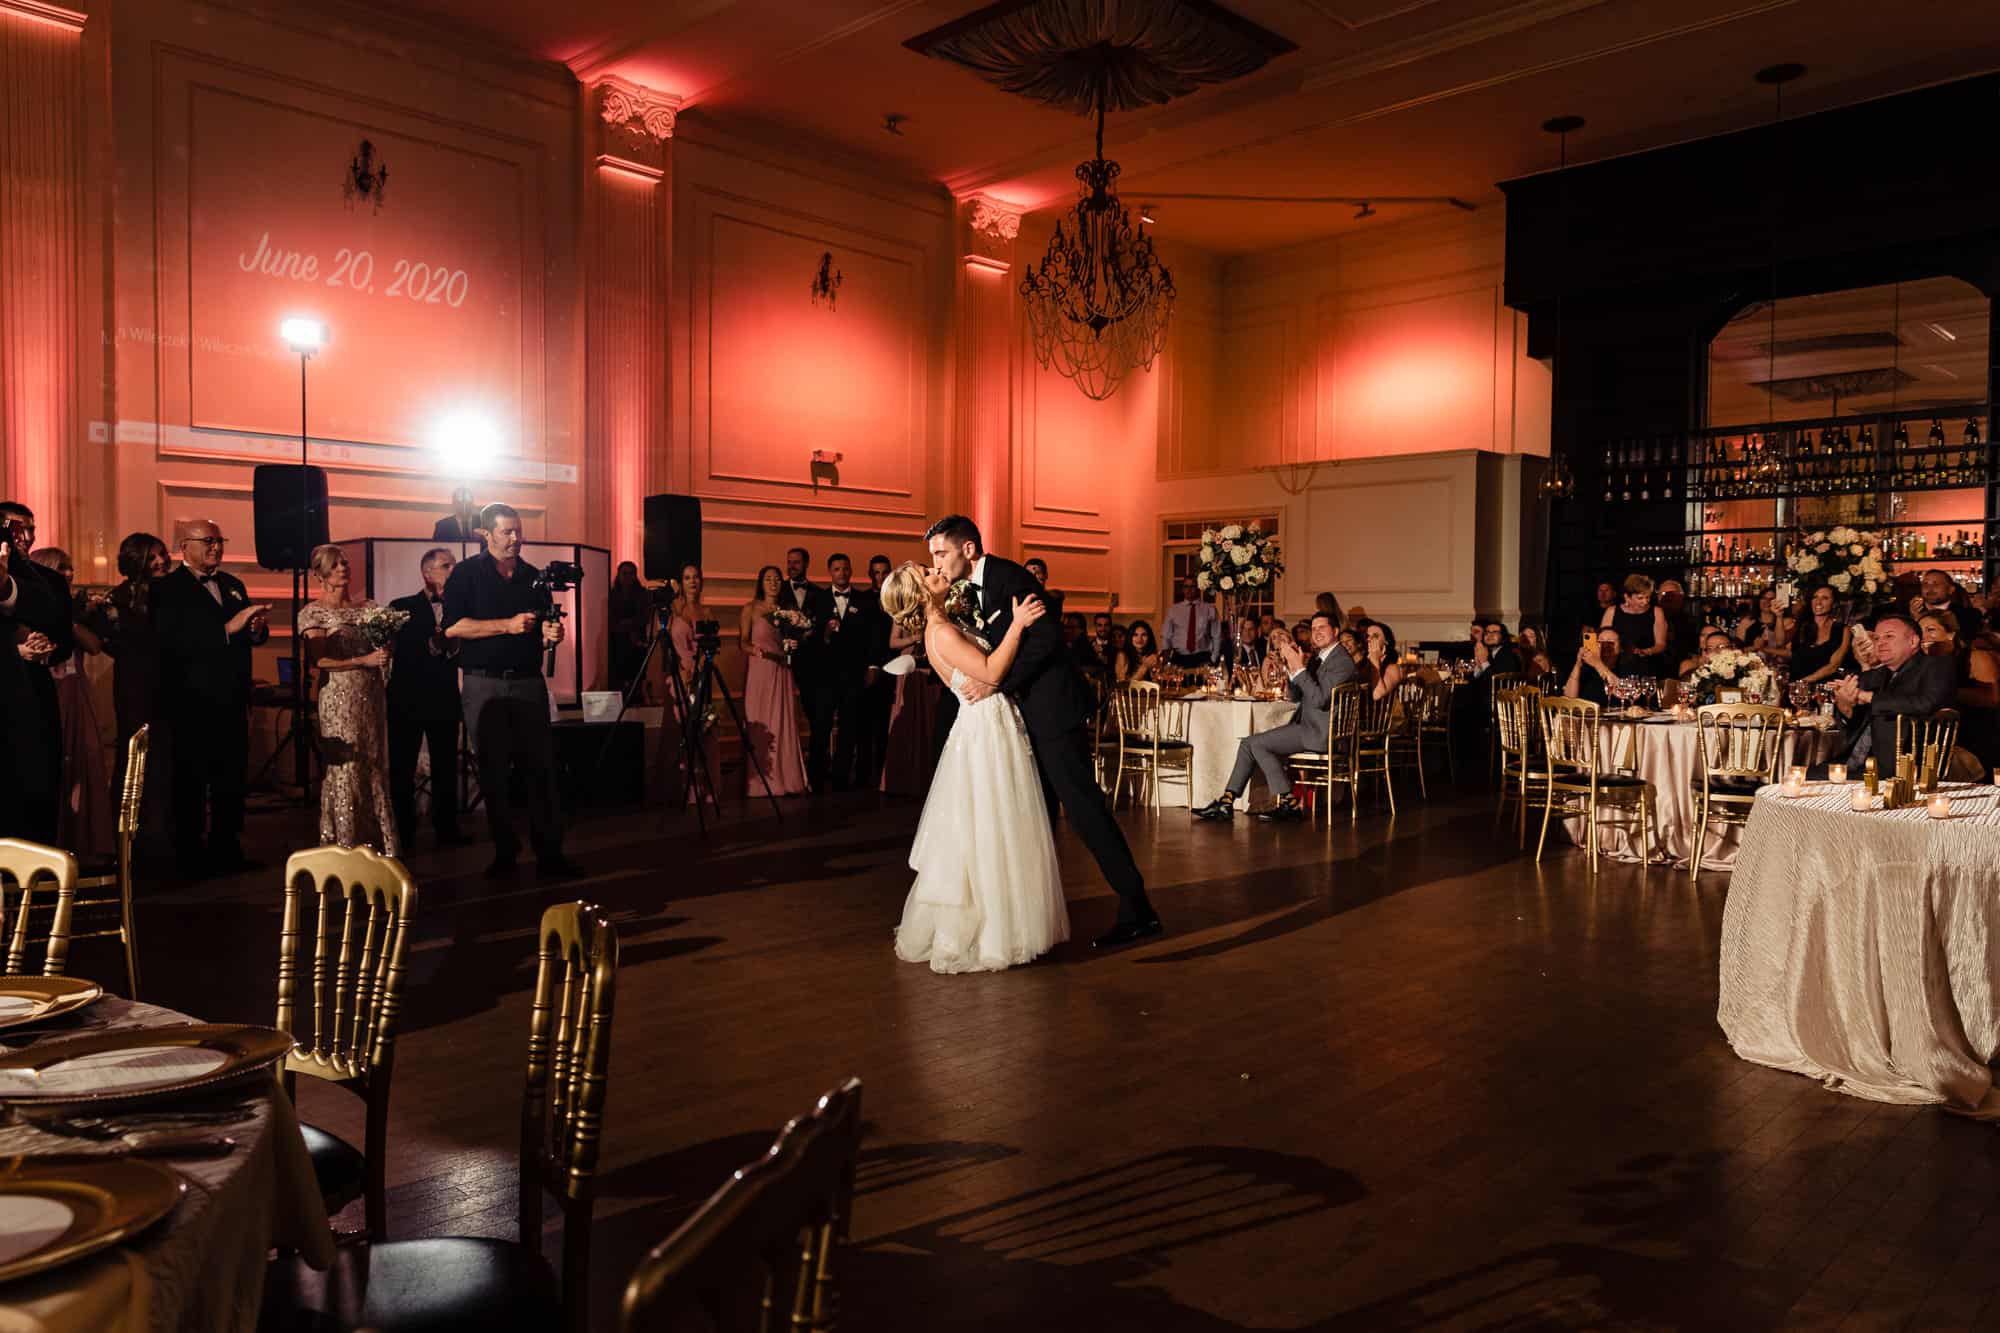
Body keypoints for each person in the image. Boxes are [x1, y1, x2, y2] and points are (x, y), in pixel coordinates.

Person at [927, 515, 1159, 948]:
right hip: (1020, 720)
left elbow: (1047, 638)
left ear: (969, 549)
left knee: (1085, 811)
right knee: (1036, 817)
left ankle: (1137, 907)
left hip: (1054, 714)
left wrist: (997, 682)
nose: (937, 564)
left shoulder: (1008, 576)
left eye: (941, 553)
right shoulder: (965, 588)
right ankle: (1033, 919)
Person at [883, 562, 1066, 972]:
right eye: (928, 572)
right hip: (984, 727)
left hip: (983, 723)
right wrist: (1017, 625)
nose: (937, 570)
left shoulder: (942, 626)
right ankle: (997, 931)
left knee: (990, 823)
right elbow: (992, 672)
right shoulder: (942, 632)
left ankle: (1004, 922)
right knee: (993, 822)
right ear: (920, 593)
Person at [441, 502, 575, 880]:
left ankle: (550, 852)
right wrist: (507, 625)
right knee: (494, 771)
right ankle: (505, 853)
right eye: (507, 532)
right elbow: (453, 628)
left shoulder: (533, 577)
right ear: (485, 534)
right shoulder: (466, 574)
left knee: (541, 769)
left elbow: (545, 627)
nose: (516, 538)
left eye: (518, 531)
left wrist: (552, 636)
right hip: (484, 681)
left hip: (529, 682)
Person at [153, 519, 268, 876]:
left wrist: (255, 631)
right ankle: (188, 854)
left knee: (230, 778)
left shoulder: (233, 584)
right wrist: (227, 630)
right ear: (184, 546)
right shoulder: (167, 589)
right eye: (208, 541)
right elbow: (173, 642)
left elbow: (244, 639)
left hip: (231, 698)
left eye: (220, 540)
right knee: (190, 779)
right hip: (191, 701)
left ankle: (226, 847)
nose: (216, 547)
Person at [1193, 610, 1356, 824]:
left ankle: (1287, 802)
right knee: (1249, 743)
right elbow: (1295, 696)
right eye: (1313, 628)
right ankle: (1227, 801)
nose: (1316, 633)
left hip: (1322, 733)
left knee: (1257, 744)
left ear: (1335, 631)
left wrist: (1298, 668)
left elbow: (1319, 700)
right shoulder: (1319, 658)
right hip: (1308, 727)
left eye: (1322, 628)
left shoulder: (1341, 661)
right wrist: (1291, 668)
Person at [299, 545, 398, 857]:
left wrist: (385, 651)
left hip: (370, 696)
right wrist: (363, 660)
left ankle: (378, 844)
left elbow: (383, 647)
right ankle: (344, 844)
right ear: (320, 574)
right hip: (339, 699)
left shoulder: (369, 608)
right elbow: (321, 661)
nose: (343, 568)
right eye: (334, 565)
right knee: (347, 768)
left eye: (344, 563)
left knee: (374, 765)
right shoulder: (313, 612)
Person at [29, 548, 113, 860]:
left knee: (85, 761)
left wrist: (72, 620)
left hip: (76, 693)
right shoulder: (34, 609)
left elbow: (94, 646)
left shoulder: (71, 612)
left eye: (69, 567)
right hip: (48, 694)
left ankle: (82, 844)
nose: (68, 573)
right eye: (60, 568)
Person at [0, 503, 72, 844]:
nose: (26, 537)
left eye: (31, 529)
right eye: (17, 529)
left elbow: (63, 636)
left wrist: (46, 650)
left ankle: (39, 877)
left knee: (40, 786)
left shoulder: (48, 581)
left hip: (37, 697)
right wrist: (15, 652)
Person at [387, 547, 468, 848]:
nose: (452, 571)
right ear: (427, 572)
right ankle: (402, 832)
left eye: (454, 566)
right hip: (406, 699)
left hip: (445, 698)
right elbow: (396, 652)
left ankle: (447, 828)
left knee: (446, 766)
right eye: (446, 566)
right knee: (402, 768)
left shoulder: (463, 608)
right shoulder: (401, 607)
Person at [1832, 609, 1957, 771]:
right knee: (1799, 774)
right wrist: (1844, 705)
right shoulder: (1874, 675)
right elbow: (1856, 721)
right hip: (1856, 763)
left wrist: (1869, 697)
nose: (1880, 643)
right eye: (1877, 638)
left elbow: (1926, 703)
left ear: (1913, 642)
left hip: (1906, 765)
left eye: (1889, 636)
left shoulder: (1935, 666)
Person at [806, 553, 880, 791]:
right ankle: (816, 778)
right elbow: (810, 639)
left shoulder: (864, 600)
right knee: (821, 726)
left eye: (845, 569)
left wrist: (871, 667)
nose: (842, 573)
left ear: (850, 571)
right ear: (830, 571)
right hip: (825, 676)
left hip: (853, 675)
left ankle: (840, 778)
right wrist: (825, 633)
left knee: (849, 727)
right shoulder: (817, 599)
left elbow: (872, 638)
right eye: (837, 569)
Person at [740, 565, 809, 796]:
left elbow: (791, 640)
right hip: (760, 670)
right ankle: (760, 782)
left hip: (781, 670)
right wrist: (758, 652)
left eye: (777, 579)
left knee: (783, 721)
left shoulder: (787, 611)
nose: (773, 582)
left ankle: (786, 777)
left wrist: (792, 644)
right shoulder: (750, 609)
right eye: (768, 579)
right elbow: (742, 642)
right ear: (761, 583)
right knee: (760, 722)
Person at [662, 562, 721, 806]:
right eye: (687, 577)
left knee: (703, 727)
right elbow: (663, 647)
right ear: (681, 582)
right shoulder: (673, 608)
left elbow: (713, 646)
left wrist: (699, 669)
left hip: (702, 673)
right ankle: (681, 787)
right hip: (677, 674)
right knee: (680, 730)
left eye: (696, 577)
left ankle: (704, 790)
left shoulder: (707, 612)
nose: (693, 581)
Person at [1919, 609, 1999, 776]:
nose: (1924, 636)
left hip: (1974, 736)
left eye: (1931, 630)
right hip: (1933, 741)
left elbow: (1991, 699)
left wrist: (1944, 691)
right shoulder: (1919, 663)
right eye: (1920, 631)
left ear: (1950, 634)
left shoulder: (1975, 657)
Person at [1601, 574, 1670, 678]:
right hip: (1617, 665)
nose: (1645, 601)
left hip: (1647, 665)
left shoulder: (1656, 612)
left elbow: (1660, 644)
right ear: (1627, 597)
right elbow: (1603, 641)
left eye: (1647, 597)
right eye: (1640, 598)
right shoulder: (1612, 612)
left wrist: (1646, 651)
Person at [606, 560, 651, 701]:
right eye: (624, 573)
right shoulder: (611, 595)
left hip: (637, 642)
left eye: (631, 574)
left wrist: (629, 624)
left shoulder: (642, 594)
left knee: (637, 677)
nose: (628, 577)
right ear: (618, 575)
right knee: (618, 678)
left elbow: (645, 617)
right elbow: (610, 619)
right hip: (617, 643)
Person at [1788, 587, 1851, 684]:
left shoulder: (1842, 630)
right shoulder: (1801, 625)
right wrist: (1779, 617)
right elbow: (1780, 642)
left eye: (1825, 598)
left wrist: (1803, 682)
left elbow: (1834, 665)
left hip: (1823, 690)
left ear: (1834, 603)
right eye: (1815, 597)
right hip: (1795, 688)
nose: (1818, 602)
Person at [1160, 578, 1219, 668]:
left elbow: (1216, 635)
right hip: (1179, 658)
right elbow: (1166, 636)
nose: (1189, 589)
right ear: (1182, 589)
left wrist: (1213, 658)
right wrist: (1166, 658)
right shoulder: (1173, 610)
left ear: (1198, 588)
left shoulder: (1209, 609)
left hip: (1202, 657)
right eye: (1186, 586)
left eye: (1193, 586)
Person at [1914, 569, 1985, 642]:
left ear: (1951, 589)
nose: (1930, 588)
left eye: (1936, 584)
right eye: (1925, 584)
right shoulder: (1909, 614)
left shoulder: (1969, 615)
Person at [1564, 626, 1624, 706]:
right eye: (1601, 641)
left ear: (1620, 648)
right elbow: (1569, 699)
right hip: (1587, 715)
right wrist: (1578, 664)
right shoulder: (1587, 669)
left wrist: (1597, 664)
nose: (1605, 645)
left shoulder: (1626, 668)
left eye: (1610, 642)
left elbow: (1623, 694)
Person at [1359, 619, 1405, 700]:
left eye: (1375, 636)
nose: (1369, 639)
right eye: (1367, 636)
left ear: (1386, 642)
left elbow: (1377, 695)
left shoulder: (1393, 668)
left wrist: (1375, 660)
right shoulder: (1362, 663)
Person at [1117, 620, 1160, 684]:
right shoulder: (1122, 655)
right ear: (1130, 637)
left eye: (1144, 635)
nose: (1139, 639)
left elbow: (1157, 681)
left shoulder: (1152, 656)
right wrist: (1145, 666)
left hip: (1150, 693)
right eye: (1135, 635)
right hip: (1128, 693)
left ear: (1149, 638)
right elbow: (1123, 685)